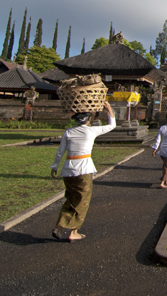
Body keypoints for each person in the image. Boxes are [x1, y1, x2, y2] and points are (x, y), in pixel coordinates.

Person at [51, 101, 117, 242]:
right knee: (82, 201)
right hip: (84, 168)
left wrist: (55, 167)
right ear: (89, 119)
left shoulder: (68, 132)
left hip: (68, 169)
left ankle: (59, 226)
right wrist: (109, 109)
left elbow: (60, 152)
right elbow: (112, 125)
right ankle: (73, 232)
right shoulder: (91, 131)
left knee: (70, 198)